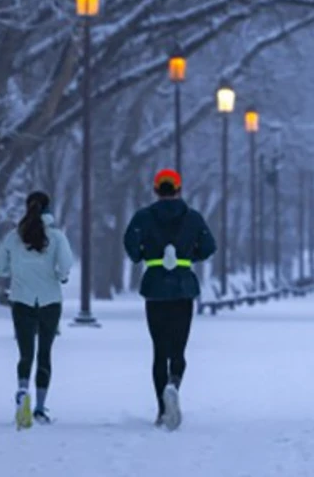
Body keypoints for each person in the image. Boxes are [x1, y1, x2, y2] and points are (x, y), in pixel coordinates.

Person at [123, 169, 217, 430]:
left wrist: (142, 254)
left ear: (156, 190)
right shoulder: (193, 218)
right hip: (183, 286)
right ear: (178, 189)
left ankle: (162, 410)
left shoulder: (143, 217)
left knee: (159, 350)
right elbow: (209, 247)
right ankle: (174, 383)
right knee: (178, 348)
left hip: (155, 287)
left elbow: (130, 244)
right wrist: (190, 257)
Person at [0, 191, 74, 428]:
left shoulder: (13, 237)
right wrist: (60, 275)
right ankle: (39, 407)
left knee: (25, 353)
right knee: (45, 354)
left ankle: (22, 391)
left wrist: (15, 273)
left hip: (21, 300)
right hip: (49, 302)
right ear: (48, 209)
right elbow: (66, 265)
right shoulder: (57, 237)